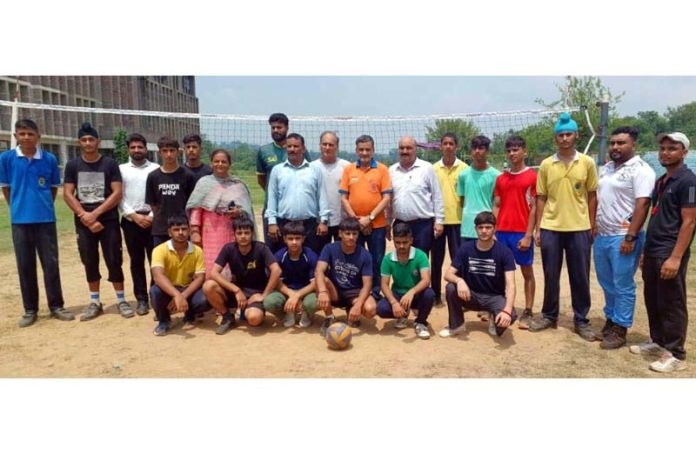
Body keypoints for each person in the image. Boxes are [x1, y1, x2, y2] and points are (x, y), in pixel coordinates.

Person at [529, 112, 599, 341]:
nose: (565, 138)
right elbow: (540, 197)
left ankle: (581, 320)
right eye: (561, 135)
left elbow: (591, 195)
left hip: (579, 226)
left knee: (580, 276)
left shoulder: (587, 162)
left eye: (569, 134)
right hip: (551, 226)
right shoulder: (547, 165)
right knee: (551, 274)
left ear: (576, 135)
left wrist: (591, 224)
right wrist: (538, 228)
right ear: (555, 138)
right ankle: (549, 315)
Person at [632, 132, 696, 373]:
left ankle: (676, 353)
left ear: (684, 152)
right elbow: (656, 216)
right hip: (653, 249)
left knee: (672, 302)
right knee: (654, 298)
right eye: (663, 148)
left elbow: (689, 222)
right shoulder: (662, 181)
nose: (666, 152)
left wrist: (676, 257)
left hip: (670, 251)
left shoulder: (688, 181)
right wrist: (645, 251)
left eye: (672, 148)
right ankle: (657, 341)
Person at [0, 119, 73, 327]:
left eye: (30, 134)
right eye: (22, 134)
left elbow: (52, 188)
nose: (26, 137)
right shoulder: (6, 159)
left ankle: (56, 306)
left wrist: (43, 207)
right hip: (20, 222)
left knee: (51, 264)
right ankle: (30, 309)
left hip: (45, 220)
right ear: (15, 136)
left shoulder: (49, 159)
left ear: (38, 136)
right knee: (25, 265)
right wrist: (16, 207)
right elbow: (6, 188)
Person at [594, 126, 655, 349]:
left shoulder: (641, 169)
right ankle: (610, 320)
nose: (615, 147)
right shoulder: (607, 168)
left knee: (623, 284)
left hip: (623, 236)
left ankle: (621, 328)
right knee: (606, 282)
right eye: (613, 143)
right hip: (603, 234)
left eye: (621, 143)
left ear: (633, 145)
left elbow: (643, 203)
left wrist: (630, 237)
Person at [63, 122, 129, 321]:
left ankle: (121, 300)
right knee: (89, 261)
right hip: (84, 222)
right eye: (84, 140)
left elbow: (117, 192)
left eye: (91, 139)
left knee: (113, 259)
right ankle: (94, 302)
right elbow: (68, 194)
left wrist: (96, 214)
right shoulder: (73, 165)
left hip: (107, 220)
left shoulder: (109, 164)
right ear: (79, 142)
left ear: (98, 141)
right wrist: (85, 216)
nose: (88, 143)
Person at [439, 211, 517, 339]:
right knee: (451, 288)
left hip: (493, 297)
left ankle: (494, 317)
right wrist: (460, 281)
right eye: (480, 227)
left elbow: (511, 285)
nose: (484, 231)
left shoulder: (504, 252)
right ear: (475, 229)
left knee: (511, 316)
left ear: (494, 229)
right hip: (471, 295)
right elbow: (448, 274)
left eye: (488, 227)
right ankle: (456, 325)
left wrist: (507, 310)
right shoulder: (466, 249)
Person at [202, 214, 282, 334]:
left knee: (254, 319)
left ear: (252, 233)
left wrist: (264, 295)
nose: (243, 236)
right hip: (237, 291)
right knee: (208, 286)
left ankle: (247, 310)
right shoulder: (228, 249)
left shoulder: (261, 248)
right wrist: (236, 290)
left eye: (246, 233)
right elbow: (214, 273)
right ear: (234, 234)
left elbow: (277, 270)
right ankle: (227, 316)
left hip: (256, 293)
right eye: (239, 233)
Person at [186, 148, 255, 279]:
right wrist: (195, 231)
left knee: (233, 261)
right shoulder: (204, 183)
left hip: (232, 231)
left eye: (223, 161)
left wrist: (239, 212)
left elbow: (247, 209)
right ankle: (212, 292)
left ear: (229, 164)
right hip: (210, 232)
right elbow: (196, 208)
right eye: (216, 161)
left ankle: (233, 292)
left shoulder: (238, 184)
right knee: (211, 262)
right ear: (211, 163)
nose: (220, 164)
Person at [492, 135, 537, 329]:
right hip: (502, 232)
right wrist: (493, 230)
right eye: (509, 150)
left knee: (526, 271)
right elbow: (496, 204)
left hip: (520, 232)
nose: (512, 153)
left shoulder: (532, 177)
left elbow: (535, 207)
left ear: (524, 151)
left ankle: (528, 310)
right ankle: (501, 307)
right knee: (500, 273)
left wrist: (528, 235)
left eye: (516, 149)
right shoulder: (501, 178)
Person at [339, 134, 392, 295]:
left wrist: (369, 218)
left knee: (377, 260)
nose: (364, 153)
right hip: (355, 226)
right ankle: (357, 291)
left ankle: (375, 292)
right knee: (356, 259)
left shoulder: (382, 169)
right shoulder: (348, 169)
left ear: (373, 150)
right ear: (356, 150)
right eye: (361, 149)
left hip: (377, 225)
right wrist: (357, 220)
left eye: (367, 149)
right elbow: (343, 197)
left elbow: (386, 197)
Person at [265, 133, 330, 254]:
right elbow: (272, 198)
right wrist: (272, 222)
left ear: (303, 148)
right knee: (283, 262)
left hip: (310, 226)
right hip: (284, 224)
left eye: (296, 146)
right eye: (289, 146)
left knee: (312, 261)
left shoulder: (314, 170)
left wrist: (324, 221)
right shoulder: (277, 170)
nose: (292, 149)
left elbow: (322, 196)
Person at [119, 132, 159, 316]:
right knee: (136, 262)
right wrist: (133, 216)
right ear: (129, 149)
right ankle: (141, 299)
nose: (137, 150)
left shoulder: (156, 169)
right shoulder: (121, 169)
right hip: (131, 220)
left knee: (155, 261)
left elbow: (159, 197)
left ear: (146, 148)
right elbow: (119, 196)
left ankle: (155, 296)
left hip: (153, 220)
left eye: (140, 147)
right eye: (133, 147)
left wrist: (151, 215)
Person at [315, 217, 377, 335]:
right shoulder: (330, 248)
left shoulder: (365, 255)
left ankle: (352, 309)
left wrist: (358, 305)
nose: (351, 237)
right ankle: (329, 317)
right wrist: (322, 291)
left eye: (354, 234)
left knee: (370, 310)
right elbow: (319, 271)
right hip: (335, 291)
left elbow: (367, 284)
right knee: (321, 279)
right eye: (347, 233)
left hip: (355, 293)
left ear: (358, 235)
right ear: (340, 233)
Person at [150, 213, 209, 336]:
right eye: (176, 230)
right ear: (170, 232)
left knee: (204, 299)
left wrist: (183, 295)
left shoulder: (197, 250)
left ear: (189, 231)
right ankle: (164, 320)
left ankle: (190, 313)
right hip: (169, 288)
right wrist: (176, 294)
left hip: (188, 288)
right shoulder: (159, 250)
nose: (181, 232)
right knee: (155, 291)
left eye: (184, 229)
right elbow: (157, 276)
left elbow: (200, 277)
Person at [376, 222, 435, 340]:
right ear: (393, 241)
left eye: (405, 242)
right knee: (381, 309)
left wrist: (411, 292)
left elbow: (426, 280)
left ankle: (421, 322)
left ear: (411, 240)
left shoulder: (420, 255)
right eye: (398, 242)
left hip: (416, 295)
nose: (401, 246)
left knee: (429, 294)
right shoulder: (388, 259)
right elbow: (384, 285)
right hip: (398, 294)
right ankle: (403, 314)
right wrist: (394, 303)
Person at [388, 135, 444, 255]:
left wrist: (439, 221)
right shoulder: (392, 170)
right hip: (399, 224)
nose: (405, 151)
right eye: (402, 148)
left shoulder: (427, 168)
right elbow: (389, 200)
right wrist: (388, 223)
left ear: (415, 149)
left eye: (408, 148)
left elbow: (437, 196)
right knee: (402, 260)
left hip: (422, 226)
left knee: (421, 261)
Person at [431, 133, 468, 306]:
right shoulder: (432, 169)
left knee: (458, 260)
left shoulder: (464, 169)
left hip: (458, 221)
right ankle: (436, 294)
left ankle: (458, 295)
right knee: (436, 261)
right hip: (438, 221)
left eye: (451, 143)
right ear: (440, 146)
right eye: (444, 143)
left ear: (456, 147)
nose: (448, 146)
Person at [263, 221, 319, 328]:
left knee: (314, 302)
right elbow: (277, 282)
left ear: (303, 239)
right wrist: (291, 295)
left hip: (306, 291)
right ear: (284, 239)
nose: (294, 242)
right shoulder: (279, 256)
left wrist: (297, 295)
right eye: (290, 239)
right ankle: (286, 315)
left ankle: (307, 314)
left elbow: (315, 283)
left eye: (297, 238)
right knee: (269, 302)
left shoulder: (311, 256)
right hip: (285, 290)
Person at [145, 136, 196, 247]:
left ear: (178, 152)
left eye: (172, 150)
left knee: (183, 263)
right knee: (160, 262)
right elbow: (153, 205)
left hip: (182, 229)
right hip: (160, 229)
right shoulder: (153, 176)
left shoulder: (188, 176)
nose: (168, 154)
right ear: (159, 153)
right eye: (165, 151)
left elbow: (192, 204)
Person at [456, 135, 501, 242]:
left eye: (481, 148)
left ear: (487, 151)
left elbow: (497, 204)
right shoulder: (463, 175)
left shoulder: (497, 176)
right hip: (468, 228)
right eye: (474, 148)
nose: (477, 151)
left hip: (487, 227)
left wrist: (494, 227)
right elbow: (463, 202)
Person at [310, 131, 350, 248]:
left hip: (342, 221)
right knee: (321, 257)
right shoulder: (311, 167)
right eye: (324, 144)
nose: (327, 148)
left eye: (331, 145)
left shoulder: (346, 166)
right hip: (319, 222)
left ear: (337, 147)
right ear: (320, 145)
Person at [256, 113, 288, 249]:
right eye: (273, 127)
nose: (275, 130)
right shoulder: (264, 151)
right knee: (272, 251)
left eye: (279, 127)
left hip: (290, 210)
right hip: (271, 209)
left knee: (292, 249)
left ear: (286, 128)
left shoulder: (297, 148)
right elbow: (261, 178)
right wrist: (273, 194)